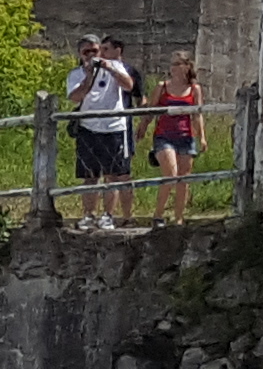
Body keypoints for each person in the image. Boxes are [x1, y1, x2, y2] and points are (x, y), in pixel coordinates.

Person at [67, 36, 136, 229]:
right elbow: (75, 97)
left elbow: (128, 85)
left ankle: (108, 215)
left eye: (94, 51)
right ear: (80, 55)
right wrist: (89, 76)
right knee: (89, 175)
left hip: (113, 128)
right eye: (86, 52)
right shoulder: (76, 74)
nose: (91, 55)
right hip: (88, 128)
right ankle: (89, 215)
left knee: (112, 175)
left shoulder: (114, 66)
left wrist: (109, 68)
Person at [148, 57, 206, 223]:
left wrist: (201, 136)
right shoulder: (162, 87)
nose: (173, 67)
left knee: (183, 178)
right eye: (172, 64)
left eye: (177, 64)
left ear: (186, 67)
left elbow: (197, 114)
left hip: (185, 136)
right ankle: (158, 215)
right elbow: (152, 109)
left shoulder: (194, 89)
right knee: (170, 174)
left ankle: (179, 218)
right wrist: (144, 126)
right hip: (164, 135)